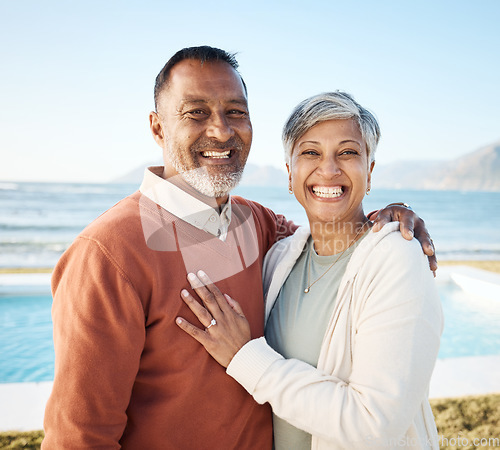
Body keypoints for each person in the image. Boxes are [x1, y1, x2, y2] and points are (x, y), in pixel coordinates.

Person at [42, 46, 436, 449]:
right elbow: (79, 436)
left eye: (235, 111)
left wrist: (393, 215)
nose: (221, 131)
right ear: (158, 128)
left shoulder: (261, 226)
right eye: (196, 112)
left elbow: (333, 235)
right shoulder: (106, 253)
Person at [177, 92, 443, 449]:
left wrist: (246, 357)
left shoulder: (398, 259)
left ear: (370, 171)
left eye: (348, 153)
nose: (329, 169)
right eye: (310, 153)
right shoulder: (280, 258)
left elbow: (374, 424)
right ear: (290, 175)